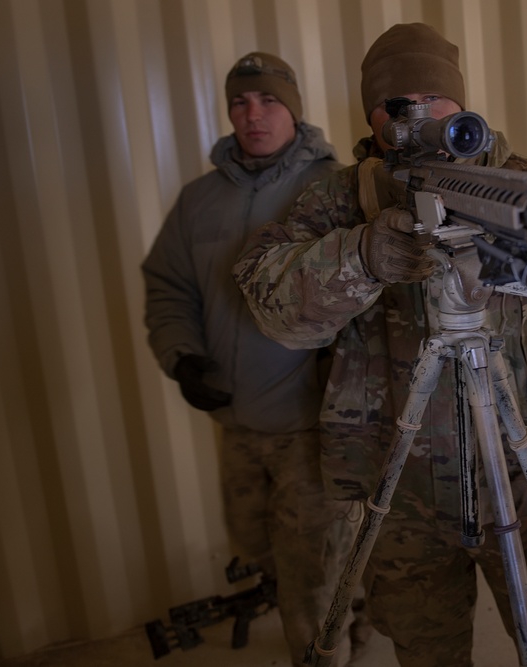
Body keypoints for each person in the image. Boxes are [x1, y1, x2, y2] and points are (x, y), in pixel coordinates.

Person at [233, 24, 527, 667]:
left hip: (524, 479)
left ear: (462, 105)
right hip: (401, 489)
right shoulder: (345, 197)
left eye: (432, 98)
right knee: (425, 650)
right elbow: (271, 305)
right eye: (395, 104)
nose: (416, 116)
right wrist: (361, 256)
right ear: (372, 116)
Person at [141, 52, 362, 666]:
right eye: (240, 101)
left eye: (268, 100)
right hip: (236, 423)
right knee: (258, 549)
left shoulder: (334, 189)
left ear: (293, 108)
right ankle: (360, 611)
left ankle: (329, 649)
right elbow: (168, 288)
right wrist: (181, 357)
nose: (253, 113)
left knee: (309, 573)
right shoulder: (198, 201)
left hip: (309, 426)